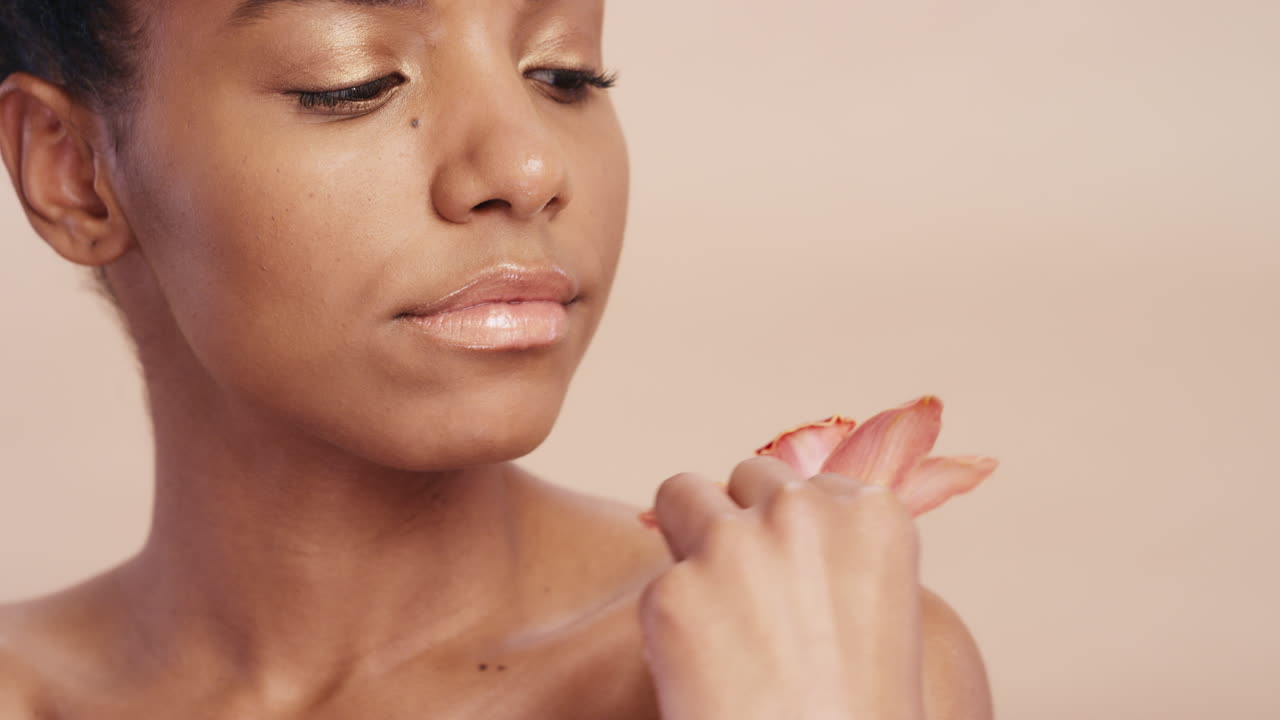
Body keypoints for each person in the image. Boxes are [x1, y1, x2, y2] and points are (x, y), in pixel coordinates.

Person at [0, 1, 993, 717]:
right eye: (352, 80)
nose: (526, 167)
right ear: (69, 170)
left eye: (565, 71)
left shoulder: (822, 659)